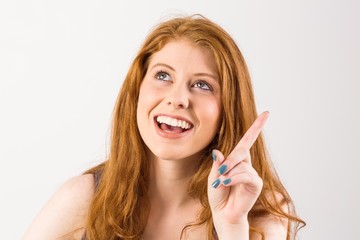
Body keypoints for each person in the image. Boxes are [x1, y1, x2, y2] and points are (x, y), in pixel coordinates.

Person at [22, 15, 305, 240]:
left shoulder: (260, 211)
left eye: (202, 85)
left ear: (229, 108)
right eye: (163, 76)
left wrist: (232, 227)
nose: (178, 99)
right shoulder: (84, 196)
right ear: (137, 91)